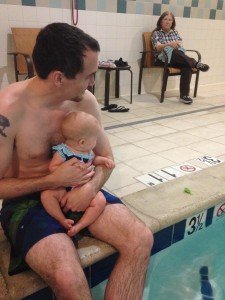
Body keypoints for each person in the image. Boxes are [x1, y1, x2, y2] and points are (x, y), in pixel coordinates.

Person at [0, 23, 153, 299]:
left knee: (140, 239)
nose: (93, 83)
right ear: (59, 78)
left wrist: (90, 188)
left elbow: (107, 159)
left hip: (80, 190)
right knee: (68, 277)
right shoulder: (10, 110)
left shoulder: (85, 102)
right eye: (89, 76)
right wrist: (50, 180)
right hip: (28, 200)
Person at [41, 111, 115, 237]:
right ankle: (61, 219)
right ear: (82, 142)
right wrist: (69, 168)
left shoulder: (87, 151)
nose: (97, 141)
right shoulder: (63, 151)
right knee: (46, 195)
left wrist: (104, 160)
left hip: (82, 187)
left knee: (100, 201)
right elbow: (53, 167)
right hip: (64, 188)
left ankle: (80, 225)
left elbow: (93, 160)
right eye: (95, 138)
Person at [151, 11, 209, 105]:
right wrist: (169, 44)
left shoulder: (175, 32)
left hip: (176, 57)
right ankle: (195, 63)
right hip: (163, 59)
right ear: (161, 21)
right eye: (165, 19)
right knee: (173, 51)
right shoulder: (156, 33)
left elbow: (181, 46)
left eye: (170, 20)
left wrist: (176, 46)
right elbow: (157, 47)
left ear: (172, 22)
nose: (167, 21)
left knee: (186, 65)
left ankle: (184, 96)